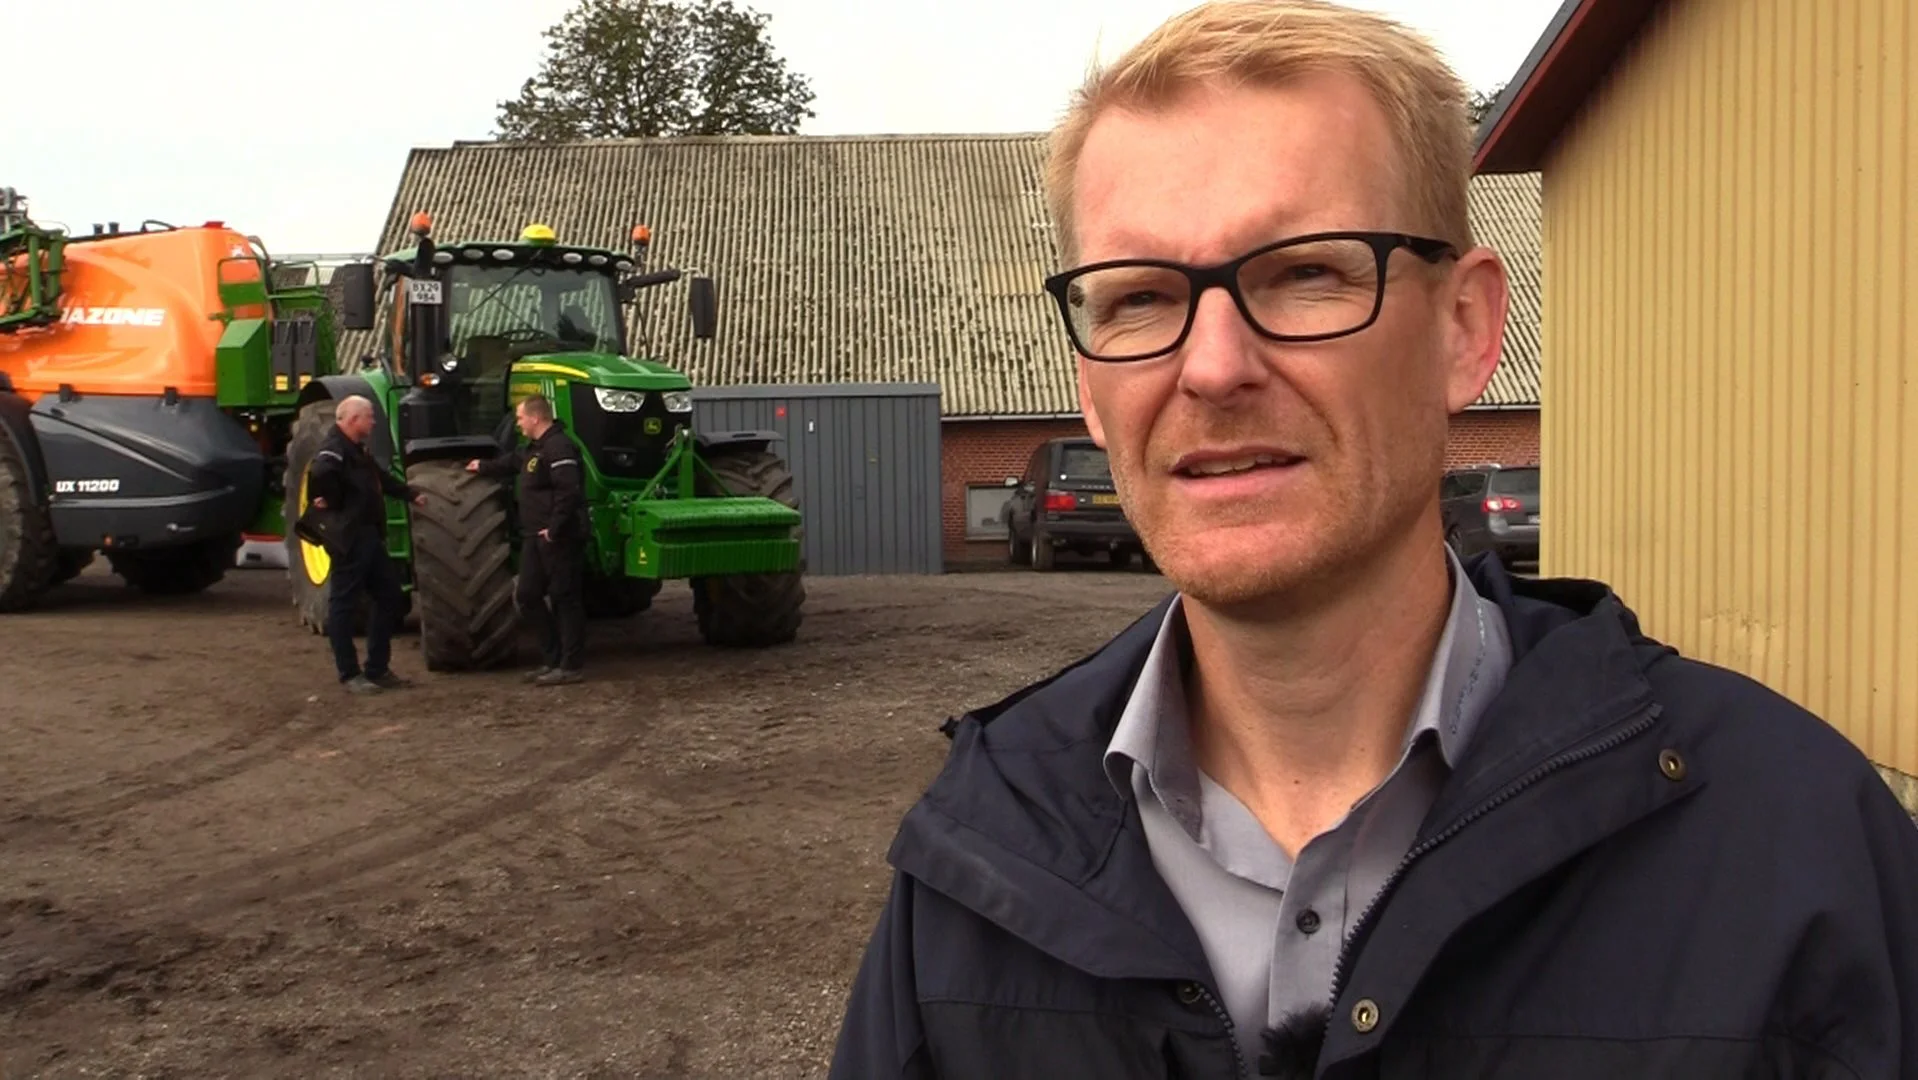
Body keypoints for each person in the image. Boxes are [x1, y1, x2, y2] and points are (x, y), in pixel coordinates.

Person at [829, 3, 1918, 1078]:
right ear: (1091, 383)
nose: (1210, 368)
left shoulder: (1793, 846)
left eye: (1306, 273)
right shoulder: (977, 854)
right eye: (1140, 298)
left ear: (1464, 330)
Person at [305, 395, 426, 695]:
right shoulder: (334, 449)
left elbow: (379, 479)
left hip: (369, 536)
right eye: (369, 417)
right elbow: (319, 473)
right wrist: (331, 502)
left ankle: (377, 668)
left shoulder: (357, 450)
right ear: (353, 420)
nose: (373, 422)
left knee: (390, 597)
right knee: (343, 605)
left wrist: (409, 494)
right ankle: (349, 673)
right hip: (350, 538)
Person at [467, 393, 588, 686]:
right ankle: (552, 658)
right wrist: (481, 467)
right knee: (527, 595)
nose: (518, 424)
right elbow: (511, 462)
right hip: (535, 535)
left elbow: (569, 490)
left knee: (564, 597)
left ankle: (571, 665)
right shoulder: (535, 449)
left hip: (558, 535)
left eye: (520, 418)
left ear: (535, 418)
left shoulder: (559, 447)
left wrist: (555, 527)